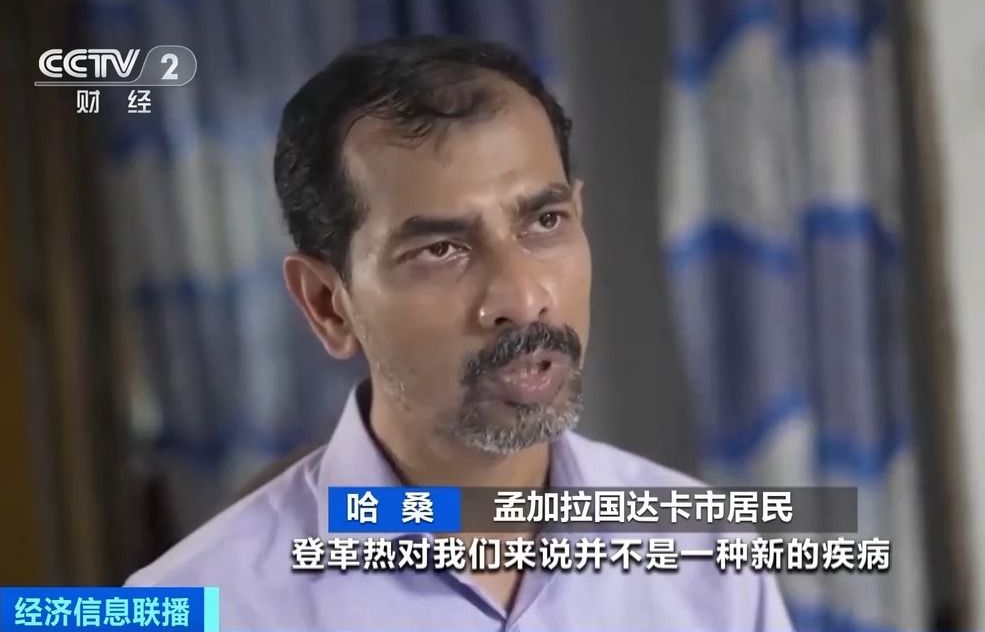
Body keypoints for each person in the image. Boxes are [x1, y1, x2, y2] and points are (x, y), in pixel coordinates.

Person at [127, 34, 794, 632]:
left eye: (545, 222)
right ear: (328, 304)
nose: (523, 298)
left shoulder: (709, 557)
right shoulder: (200, 603)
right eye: (441, 249)